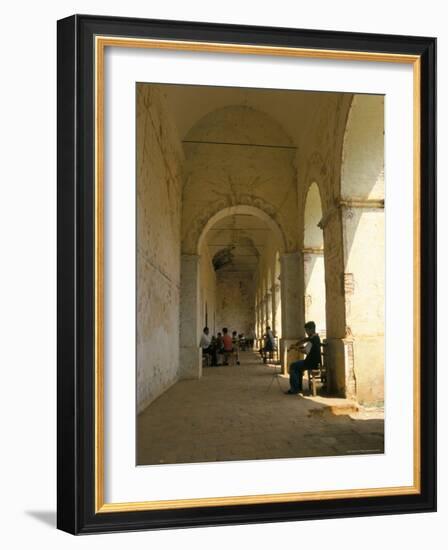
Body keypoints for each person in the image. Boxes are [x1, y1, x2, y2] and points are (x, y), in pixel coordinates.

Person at [285, 321, 321, 395]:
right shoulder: (315, 337)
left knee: (293, 366)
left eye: (307, 330)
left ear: (311, 329)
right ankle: (298, 387)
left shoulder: (313, 339)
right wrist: (298, 345)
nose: (306, 332)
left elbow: (305, 351)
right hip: (314, 362)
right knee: (297, 366)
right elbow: (307, 346)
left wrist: (295, 348)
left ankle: (294, 389)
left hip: (311, 363)